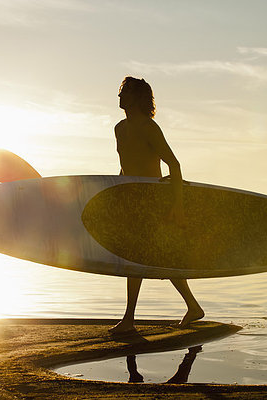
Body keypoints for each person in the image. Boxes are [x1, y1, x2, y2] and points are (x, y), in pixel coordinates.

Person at [109, 76, 204, 334]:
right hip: (132, 200)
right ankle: (193, 307)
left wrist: (178, 207)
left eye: (125, 92)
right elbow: (126, 165)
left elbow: (174, 165)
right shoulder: (119, 128)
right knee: (154, 259)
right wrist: (117, 193)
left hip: (152, 201)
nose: (119, 96)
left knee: (136, 258)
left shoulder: (149, 127)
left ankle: (129, 319)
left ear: (137, 97)